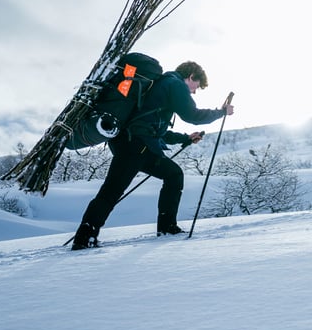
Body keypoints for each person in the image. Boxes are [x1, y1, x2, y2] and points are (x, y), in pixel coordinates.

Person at [71, 60, 234, 249]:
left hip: (137, 145)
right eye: (196, 87)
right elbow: (193, 116)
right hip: (135, 146)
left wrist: (185, 138)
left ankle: (167, 227)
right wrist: (221, 112)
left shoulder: (162, 85)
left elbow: (156, 129)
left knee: (173, 175)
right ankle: (84, 238)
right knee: (112, 191)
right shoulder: (175, 84)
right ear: (191, 77)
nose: (194, 92)